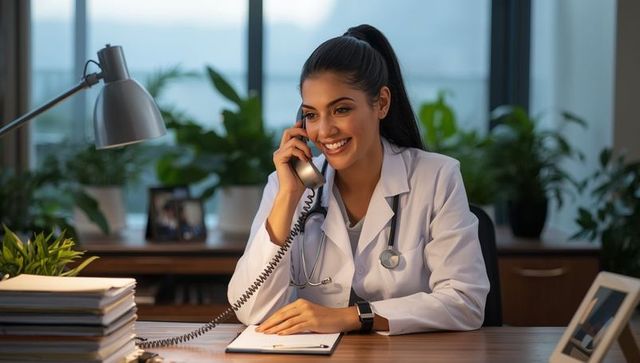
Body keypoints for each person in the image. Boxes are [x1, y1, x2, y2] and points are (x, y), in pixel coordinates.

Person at [228, 24, 489, 335]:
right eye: (311, 115)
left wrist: (352, 316)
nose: (324, 131)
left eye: (341, 109)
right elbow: (251, 310)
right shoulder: (288, 185)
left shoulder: (436, 178)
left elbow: (465, 301)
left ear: (381, 103)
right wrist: (288, 198)